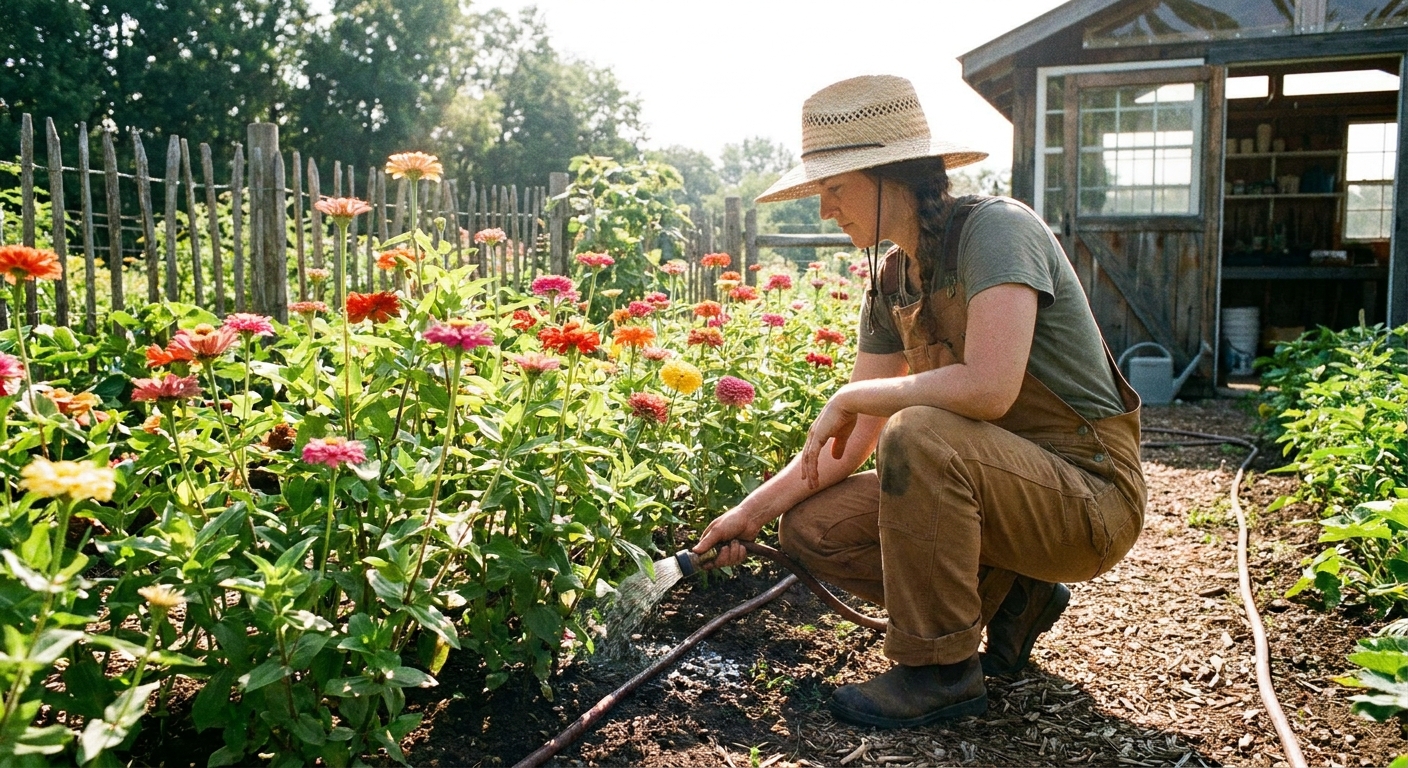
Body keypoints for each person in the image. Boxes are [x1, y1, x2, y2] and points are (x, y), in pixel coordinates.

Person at [693, 74, 1146, 729]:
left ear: (891, 174)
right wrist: (749, 514)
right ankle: (1016, 590)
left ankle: (940, 672)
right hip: (1001, 489)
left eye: (834, 189)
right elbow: (849, 446)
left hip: (1089, 495)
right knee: (811, 529)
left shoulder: (998, 232)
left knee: (918, 431)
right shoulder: (893, 280)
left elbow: (989, 388)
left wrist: (855, 393)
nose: (826, 211)